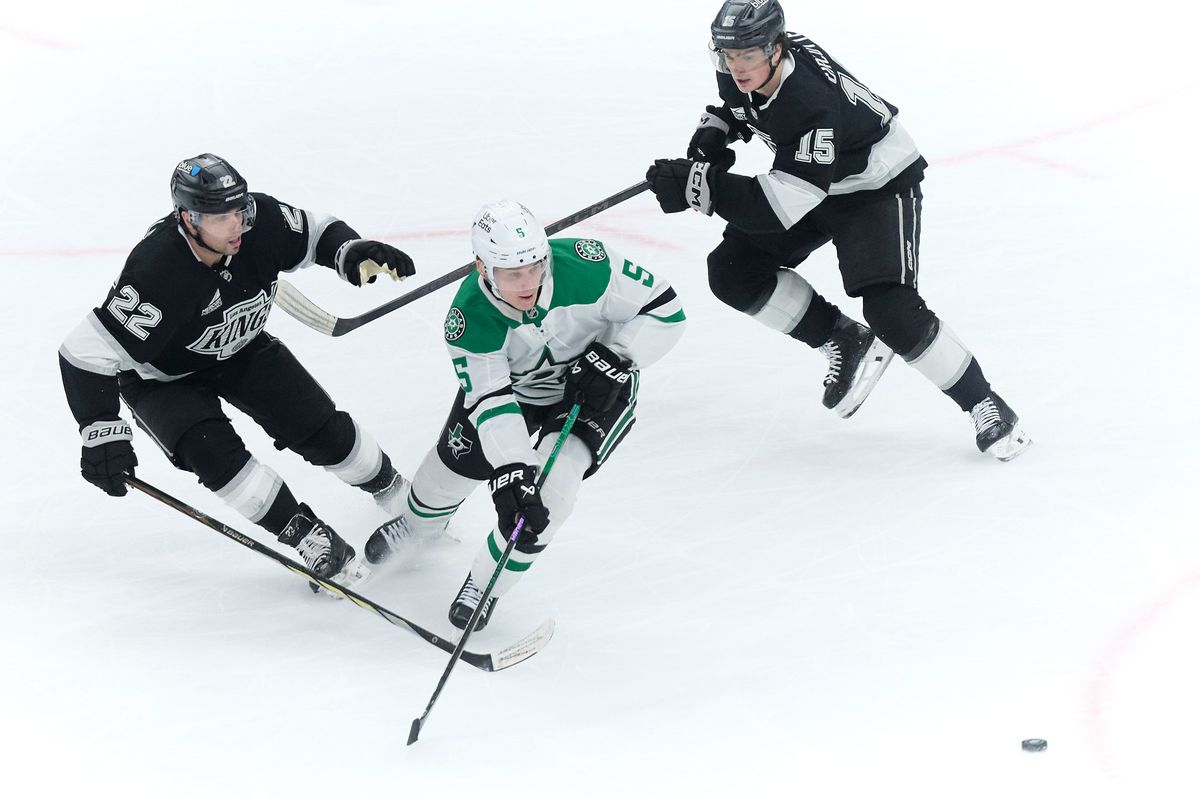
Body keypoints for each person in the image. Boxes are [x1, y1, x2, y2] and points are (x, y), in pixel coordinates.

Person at [645, 0, 1030, 460]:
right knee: (733, 271)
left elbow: (778, 208)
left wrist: (700, 187)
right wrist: (719, 129)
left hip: (877, 184)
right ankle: (842, 338)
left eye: (747, 55)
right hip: (817, 180)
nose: (735, 65)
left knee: (891, 310)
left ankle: (985, 403)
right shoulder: (741, 66)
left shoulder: (810, 102)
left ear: (776, 47)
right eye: (728, 55)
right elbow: (745, 106)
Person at [58, 153, 417, 580]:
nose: (238, 225)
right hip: (161, 379)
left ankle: (397, 495)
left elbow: (316, 230)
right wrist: (100, 430)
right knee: (216, 457)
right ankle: (308, 536)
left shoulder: (259, 221)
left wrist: (349, 250)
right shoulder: (158, 270)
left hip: (240, 347)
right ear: (188, 218)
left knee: (321, 428)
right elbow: (82, 352)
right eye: (222, 216)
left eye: (240, 209)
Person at [354, 200, 686, 630]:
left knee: (553, 493)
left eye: (535, 267)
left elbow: (665, 309)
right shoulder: (467, 319)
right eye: (512, 273)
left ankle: (486, 583)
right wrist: (512, 469)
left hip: (596, 390)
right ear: (482, 268)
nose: (528, 282)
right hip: (518, 391)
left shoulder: (590, 265)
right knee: (442, 481)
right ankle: (419, 526)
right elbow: (492, 400)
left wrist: (617, 357)